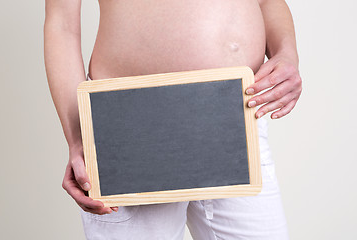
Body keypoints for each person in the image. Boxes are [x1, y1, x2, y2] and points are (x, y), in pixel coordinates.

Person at [44, 0, 302, 239]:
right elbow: (62, 24)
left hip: (238, 119)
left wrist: (287, 53)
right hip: (129, 126)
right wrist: (79, 138)